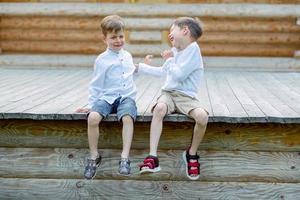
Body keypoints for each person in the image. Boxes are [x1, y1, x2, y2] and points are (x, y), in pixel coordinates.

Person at [135, 17, 209, 180]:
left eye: (172, 30)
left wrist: (169, 59)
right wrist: (140, 68)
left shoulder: (193, 50)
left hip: (186, 97)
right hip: (169, 93)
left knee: (202, 117)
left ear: (185, 31)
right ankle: (152, 157)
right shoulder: (176, 51)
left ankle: (191, 153)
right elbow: (165, 71)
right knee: (160, 108)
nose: (169, 35)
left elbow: (180, 74)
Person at [76, 15, 137, 179]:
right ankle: (94, 155)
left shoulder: (128, 56)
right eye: (113, 37)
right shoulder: (102, 60)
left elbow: (130, 73)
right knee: (93, 118)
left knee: (127, 118)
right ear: (105, 39)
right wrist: (91, 104)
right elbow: (96, 85)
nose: (118, 40)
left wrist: (142, 66)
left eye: (121, 36)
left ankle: (124, 157)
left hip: (126, 97)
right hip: (107, 97)